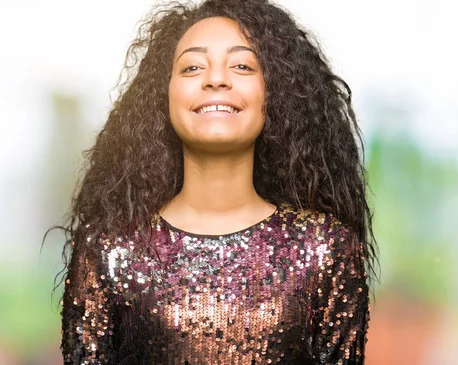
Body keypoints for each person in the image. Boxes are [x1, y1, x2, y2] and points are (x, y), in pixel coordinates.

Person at [50, 0, 378, 363]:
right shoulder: (109, 250)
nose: (216, 79)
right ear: (165, 96)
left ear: (275, 93)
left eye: (242, 65)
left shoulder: (325, 249)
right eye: (192, 67)